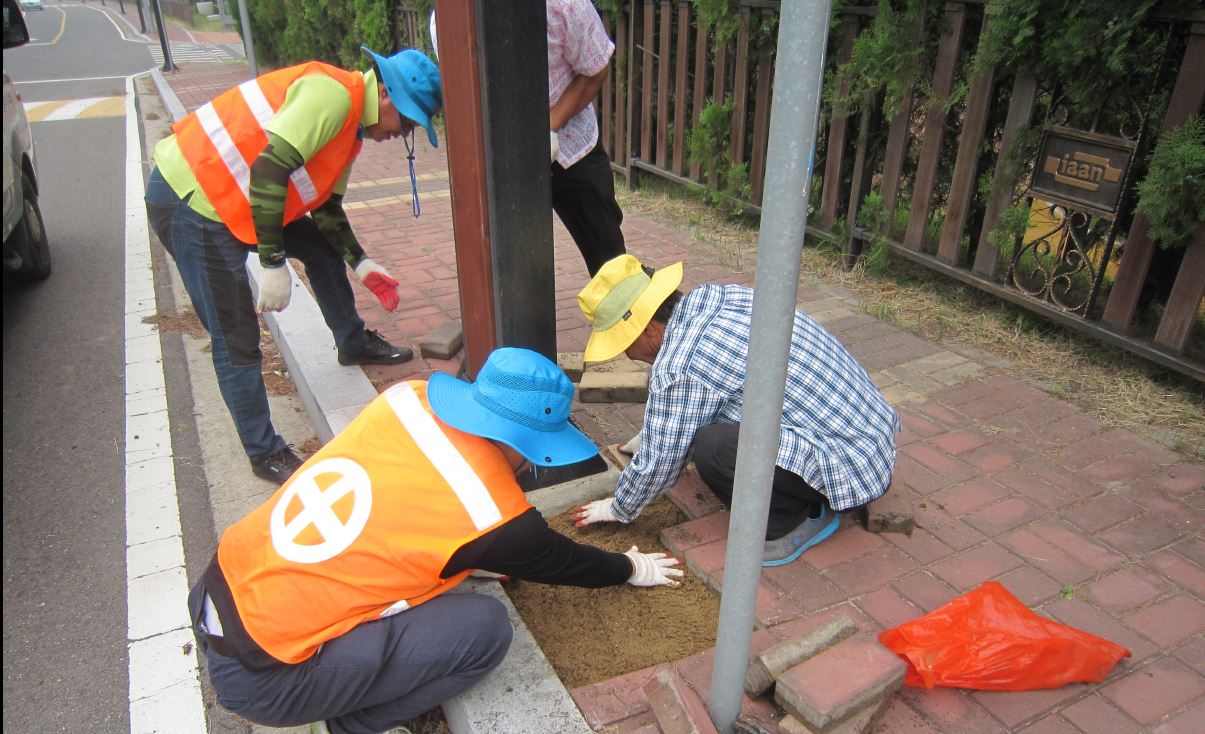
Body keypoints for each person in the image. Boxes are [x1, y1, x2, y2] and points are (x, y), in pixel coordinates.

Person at [187, 347, 682, 734]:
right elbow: (566, 563)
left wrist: (472, 555)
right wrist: (632, 568)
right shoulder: (497, 519)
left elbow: (401, 504)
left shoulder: (408, 397)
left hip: (219, 583)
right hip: (266, 676)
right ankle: (354, 725)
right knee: (484, 630)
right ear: (522, 444)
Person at [145, 48, 442, 484]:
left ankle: (352, 341)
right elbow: (268, 169)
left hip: (235, 199)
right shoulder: (332, 95)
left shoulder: (351, 131)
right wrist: (272, 262)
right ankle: (263, 452)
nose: (406, 133)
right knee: (236, 334)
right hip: (194, 198)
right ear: (384, 93)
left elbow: (326, 210)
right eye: (410, 120)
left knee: (322, 250)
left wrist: (360, 262)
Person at [570, 255, 901, 567]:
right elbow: (714, 392)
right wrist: (654, 435)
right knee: (709, 430)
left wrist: (619, 507)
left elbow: (662, 460)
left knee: (714, 448)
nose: (628, 356)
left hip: (849, 466)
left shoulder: (681, 366)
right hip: (869, 431)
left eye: (625, 344)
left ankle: (795, 518)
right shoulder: (719, 297)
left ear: (647, 330)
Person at [430, 0, 626, 276]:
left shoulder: (566, 5)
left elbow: (596, 70)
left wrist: (550, 127)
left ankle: (626, 314)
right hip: (504, 149)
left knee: (608, 252)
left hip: (572, 146)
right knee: (507, 253)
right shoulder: (449, 19)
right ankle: (523, 317)